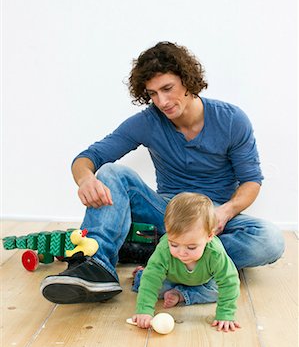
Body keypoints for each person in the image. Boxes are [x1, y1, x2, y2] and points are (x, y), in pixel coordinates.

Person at [40, 41, 285, 304]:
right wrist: (86, 178)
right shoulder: (147, 121)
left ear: (187, 80)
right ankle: (96, 267)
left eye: (167, 89)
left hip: (214, 218)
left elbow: (251, 181)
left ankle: (169, 263)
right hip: (168, 212)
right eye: (153, 94)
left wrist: (225, 211)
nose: (162, 101)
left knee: (270, 239)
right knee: (111, 172)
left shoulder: (232, 120)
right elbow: (88, 158)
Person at [131, 192, 241, 333]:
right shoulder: (164, 249)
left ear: (209, 236)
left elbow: (229, 281)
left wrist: (226, 314)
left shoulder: (215, 253)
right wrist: (144, 310)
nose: (182, 252)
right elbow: (152, 278)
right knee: (147, 283)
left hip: (203, 283)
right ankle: (140, 275)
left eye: (191, 247)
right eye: (174, 244)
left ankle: (181, 294)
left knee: (219, 291)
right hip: (168, 279)